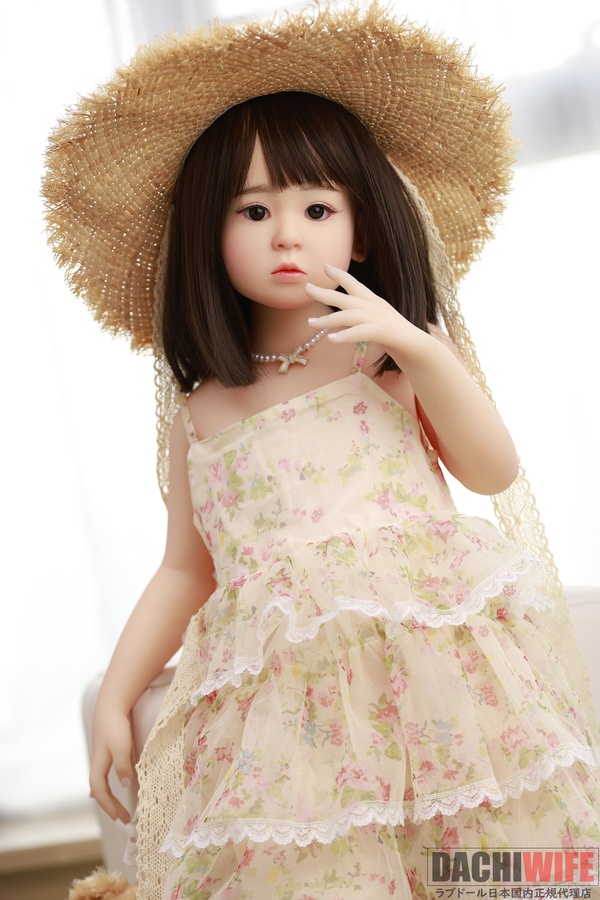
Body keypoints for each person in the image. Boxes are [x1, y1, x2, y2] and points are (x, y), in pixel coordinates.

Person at [44, 6, 599, 899]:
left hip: (437, 687)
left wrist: (420, 347)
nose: (286, 234)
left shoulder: (388, 361)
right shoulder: (202, 412)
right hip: (290, 717)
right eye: (252, 210)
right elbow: (187, 568)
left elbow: (493, 472)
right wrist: (117, 694)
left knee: (487, 865)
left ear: (362, 228)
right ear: (208, 233)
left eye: (316, 207)